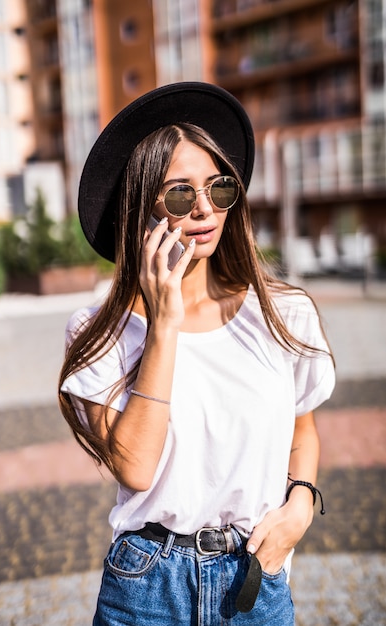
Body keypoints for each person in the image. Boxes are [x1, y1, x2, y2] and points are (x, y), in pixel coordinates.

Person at [58, 82, 335, 626]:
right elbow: (135, 467)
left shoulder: (284, 313)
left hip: (252, 578)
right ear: (143, 206)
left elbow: (301, 433)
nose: (206, 209)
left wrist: (299, 506)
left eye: (219, 188)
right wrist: (164, 325)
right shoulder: (99, 330)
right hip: (146, 585)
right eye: (181, 194)